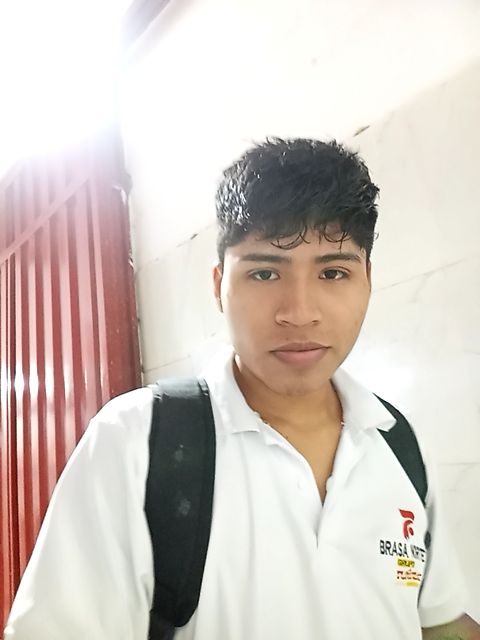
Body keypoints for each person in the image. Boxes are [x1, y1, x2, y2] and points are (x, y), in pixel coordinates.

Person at [4, 138, 478, 640]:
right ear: (218, 286)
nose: (299, 312)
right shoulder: (137, 441)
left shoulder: (397, 442)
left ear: (367, 281)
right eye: (264, 272)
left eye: (333, 272)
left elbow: (440, 622)